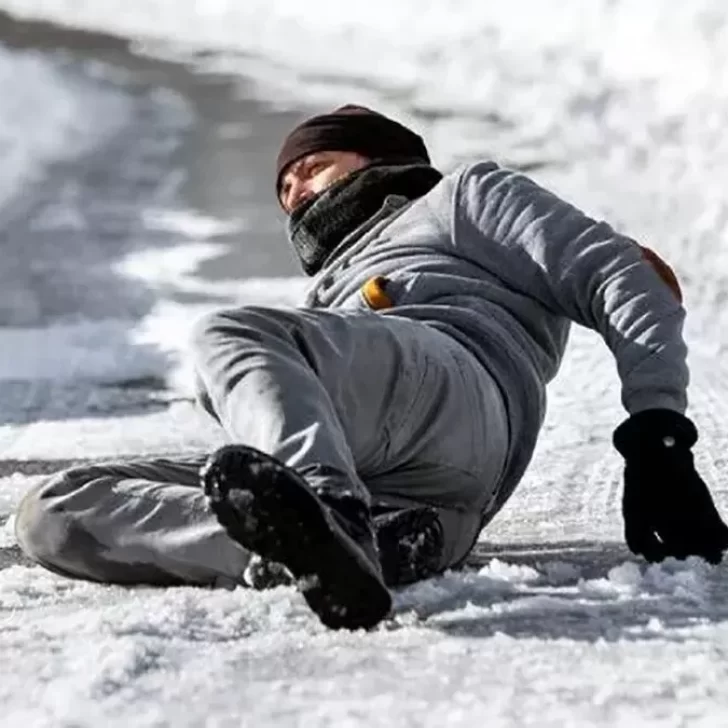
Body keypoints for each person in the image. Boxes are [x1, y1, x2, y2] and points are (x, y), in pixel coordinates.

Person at [14, 105, 728, 631]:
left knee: (230, 335)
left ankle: (327, 509)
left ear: (378, 158)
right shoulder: (326, 293)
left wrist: (658, 436)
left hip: (458, 385)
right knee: (53, 512)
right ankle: (331, 549)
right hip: (427, 498)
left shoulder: (461, 200)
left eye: (311, 166)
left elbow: (625, 274)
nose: (293, 191)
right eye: (283, 188)